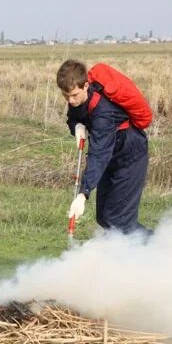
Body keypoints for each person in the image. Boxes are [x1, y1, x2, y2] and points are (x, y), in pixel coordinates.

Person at [57, 59, 151, 234]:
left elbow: (98, 156)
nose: (70, 101)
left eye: (74, 95)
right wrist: (76, 125)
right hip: (112, 155)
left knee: (120, 222)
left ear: (86, 85)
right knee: (105, 217)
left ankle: (161, 249)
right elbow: (74, 116)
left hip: (130, 156)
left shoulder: (103, 114)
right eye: (66, 96)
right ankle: (122, 257)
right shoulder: (78, 99)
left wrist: (83, 194)